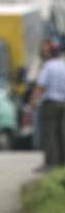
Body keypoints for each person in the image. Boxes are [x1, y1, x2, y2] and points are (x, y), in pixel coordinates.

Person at [31, 38, 65, 172]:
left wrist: (33, 101)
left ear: (49, 53)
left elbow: (41, 86)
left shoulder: (48, 66)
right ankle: (62, 163)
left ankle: (51, 164)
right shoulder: (63, 66)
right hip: (63, 104)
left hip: (50, 105)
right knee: (61, 134)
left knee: (50, 134)